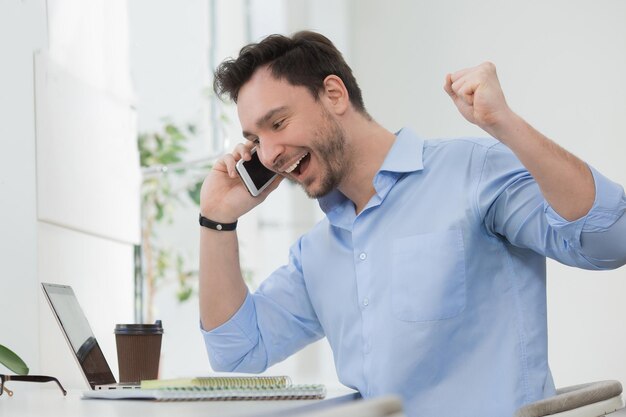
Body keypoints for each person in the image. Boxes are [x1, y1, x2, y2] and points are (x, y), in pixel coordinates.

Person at [198, 31, 626, 416]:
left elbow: (612, 239)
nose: (269, 154)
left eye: (278, 123)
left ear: (333, 94)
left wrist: (505, 124)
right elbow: (238, 353)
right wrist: (217, 219)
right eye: (255, 140)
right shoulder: (317, 254)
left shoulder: (472, 173)